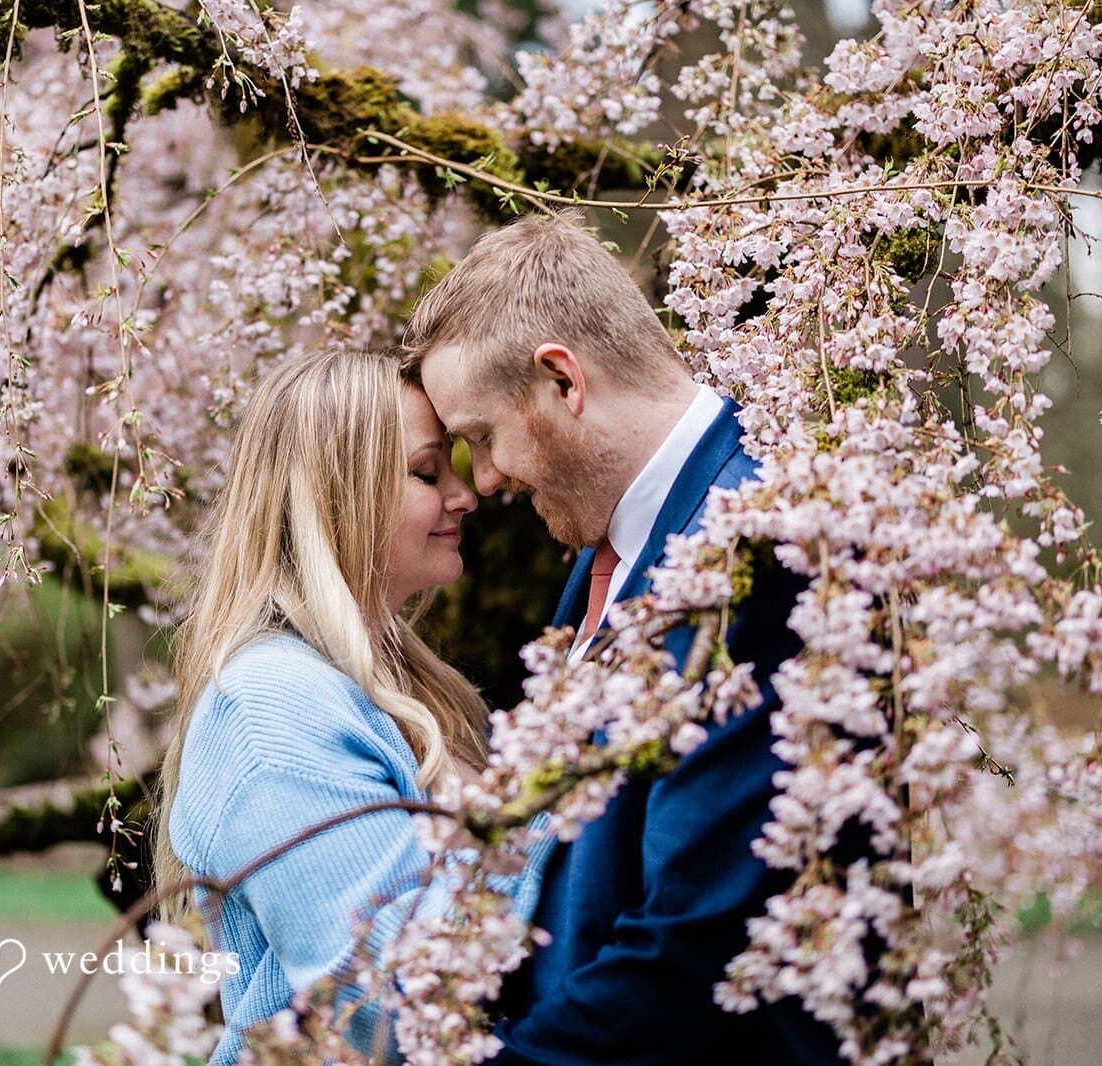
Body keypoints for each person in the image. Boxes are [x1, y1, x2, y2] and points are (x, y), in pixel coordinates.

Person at [402, 210, 843, 1065]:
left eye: (483, 440)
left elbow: (698, 928)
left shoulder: (763, 545)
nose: (483, 482)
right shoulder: (609, 552)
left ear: (561, 381)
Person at [151, 349, 547, 1065]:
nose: (466, 495)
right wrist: (589, 809)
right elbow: (380, 992)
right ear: (339, 496)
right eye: (428, 472)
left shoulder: (407, 685)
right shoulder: (271, 706)